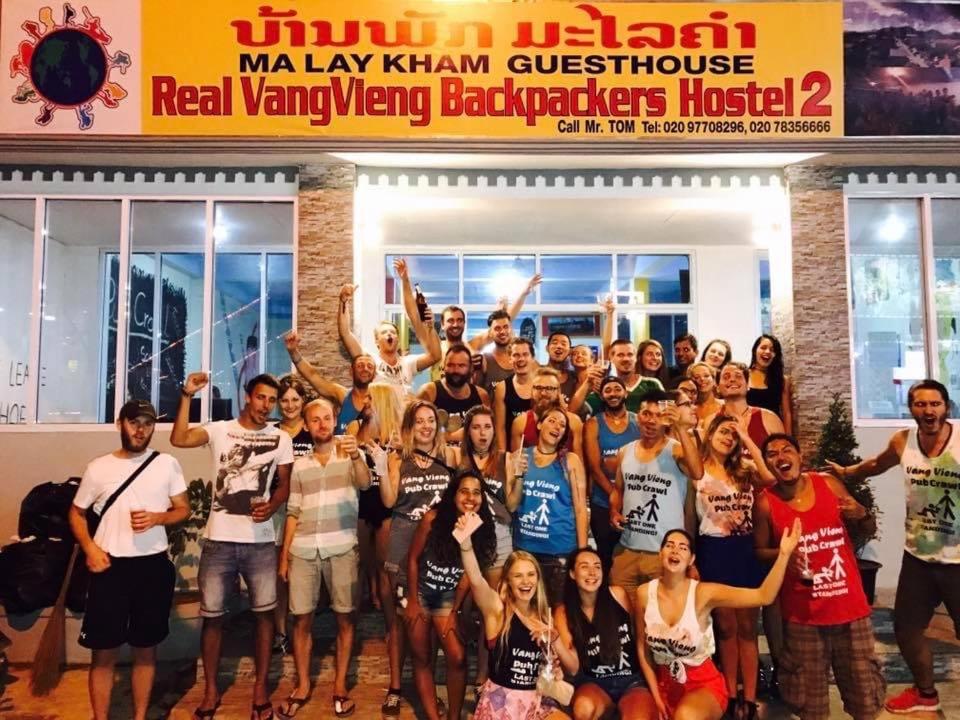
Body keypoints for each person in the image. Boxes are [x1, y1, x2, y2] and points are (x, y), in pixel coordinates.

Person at [827, 379, 959, 714]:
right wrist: (846, 472)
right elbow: (875, 464)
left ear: (947, 407)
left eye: (935, 404)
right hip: (918, 556)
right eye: (920, 404)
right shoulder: (903, 441)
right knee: (907, 628)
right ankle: (926, 693)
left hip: (959, 559)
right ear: (911, 407)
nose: (928, 411)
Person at [172, 372, 294, 720]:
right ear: (248, 396)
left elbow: (284, 485)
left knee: (264, 618)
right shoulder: (220, 430)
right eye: (261, 398)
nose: (266, 406)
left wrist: (272, 506)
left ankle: (259, 688)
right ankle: (210, 690)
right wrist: (186, 395)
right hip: (219, 540)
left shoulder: (280, 438)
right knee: (212, 619)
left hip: (260, 543)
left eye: (272, 400)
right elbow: (179, 437)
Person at [68, 400, 189, 720]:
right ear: (119, 423)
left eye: (147, 424)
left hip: (152, 566)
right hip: (110, 567)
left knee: (146, 650)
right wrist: (91, 549)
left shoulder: (167, 464)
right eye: (134, 422)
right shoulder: (99, 468)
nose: (140, 430)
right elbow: (76, 513)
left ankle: (139, 716)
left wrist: (157, 518)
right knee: (103, 653)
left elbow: (183, 509)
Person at [757, 434, 885, 720]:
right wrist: (783, 556)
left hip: (850, 610)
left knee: (866, 699)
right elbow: (759, 551)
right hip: (803, 616)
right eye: (771, 454)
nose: (780, 457)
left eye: (786, 450)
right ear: (767, 463)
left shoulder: (828, 484)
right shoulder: (765, 503)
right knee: (810, 706)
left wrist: (862, 513)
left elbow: (868, 526)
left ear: (800, 456)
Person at [636, 524, 801, 720]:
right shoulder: (644, 594)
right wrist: (656, 696)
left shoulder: (703, 593)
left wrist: (783, 554)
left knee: (685, 716)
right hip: (664, 684)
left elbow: (763, 596)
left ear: (692, 559)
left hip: (702, 684)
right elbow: (642, 649)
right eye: (669, 545)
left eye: (683, 547)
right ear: (660, 553)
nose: (675, 550)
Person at [277, 398, 370, 719]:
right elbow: (292, 512)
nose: (321, 424)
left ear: (335, 422)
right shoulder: (300, 466)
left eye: (327, 418)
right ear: (306, 425)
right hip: (302, 550)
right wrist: (284, 557)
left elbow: (365, 482)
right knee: (300, 619)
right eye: (314, 420)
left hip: (342, 548)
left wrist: (358, 455)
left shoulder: (349, 456)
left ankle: (341, 684)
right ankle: (303, 684)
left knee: (345, 617)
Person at [379, 400, 457, 716]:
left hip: (437, 553)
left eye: (430, 421)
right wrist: (382, 467)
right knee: (401, 621)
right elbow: (387, 500)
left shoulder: (448, 456)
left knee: (432, 623)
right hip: (402, 547)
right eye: (419, 422)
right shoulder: (400, 459)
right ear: (410, 428)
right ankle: (396, 686)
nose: (425, 426)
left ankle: (428, 685)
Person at [695, 415, 775, 718]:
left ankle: (750, 698)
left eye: (733, 434)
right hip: (713, 551)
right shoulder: (697, 469)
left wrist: (747, 437)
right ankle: (730, 695)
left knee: (746, 629)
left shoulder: (745, 470)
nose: (728, 437)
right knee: (726, 628)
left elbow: (769, 479)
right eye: (723, 431)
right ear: (710, 432)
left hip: (744, 551)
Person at [406, 471, 498, 720]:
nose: (470, 497)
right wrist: (413, 600)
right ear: (453, 494)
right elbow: (413, 560)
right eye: (464, 491)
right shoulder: (433, 519)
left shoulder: (482, 527)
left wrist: (455, 610)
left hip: (447, 597)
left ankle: (454, 717)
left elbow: (469, 574)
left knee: (457, 658)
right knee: (421, 656)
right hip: (422, 590)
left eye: (476, 492)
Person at [455, 534, 570, 720]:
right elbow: (476, 579)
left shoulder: (544, 616)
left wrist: (552, 668)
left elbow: (556, 667)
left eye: (531, 574)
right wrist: (466, 545)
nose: (526, 581)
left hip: (536, 699)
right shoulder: (498, 611)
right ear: (508, 582)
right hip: (502, 703)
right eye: (518, 576)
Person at [609, 392, 702, 595]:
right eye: (646, 413)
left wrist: (680, 427)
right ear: (637, 416)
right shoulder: (625, 451)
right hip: (628, 550)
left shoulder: (676, 450)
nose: (651, 421)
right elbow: (618, 490)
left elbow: (697, 472)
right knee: (623, 618)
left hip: (663, 555)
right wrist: (614, 511)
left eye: (658, 415)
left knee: (658, 621)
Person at [554, 547, 658, 720]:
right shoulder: (563, 612)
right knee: (583, 709)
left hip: (631, 680)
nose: (592, 572)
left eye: (597, 566)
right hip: (594, 683)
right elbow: (572, 669)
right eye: (584, 566)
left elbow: (640, 640)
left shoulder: (618, 595)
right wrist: (554, 641)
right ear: (572, 573)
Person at [510, 406, 589, 604]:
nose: (558, 426)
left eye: (563, 425)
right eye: (552, 421)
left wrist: (582, 553)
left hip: (559, 552)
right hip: (525, 549)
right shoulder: (519, 457)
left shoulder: (570, 461)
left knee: (558, 613)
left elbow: (580, 510)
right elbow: (511, 506)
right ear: (539, 425)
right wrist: (518, 475)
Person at [337, 260, 441, 390]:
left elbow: (435, 356)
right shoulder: (369, 362)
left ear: (398, 339)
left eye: (393, 332)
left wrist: (430, 327)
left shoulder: (407, 363)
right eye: (384, 332)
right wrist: (343, 301)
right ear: (376, 341)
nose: (389, 334)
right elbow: (345, 333)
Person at [272, 374, 315, 655]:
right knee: (280, 573)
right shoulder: (272, 433)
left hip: (310, 509)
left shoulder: (313, 431)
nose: (289, 405)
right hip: (278, 511)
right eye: (284, 400)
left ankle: (304, 630)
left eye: (295, 400)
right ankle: (280, 632)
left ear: (303, 401)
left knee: (305, 573)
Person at [583, 377, 641, 571]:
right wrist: (617, 496)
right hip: (602, 502)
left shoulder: (638, 421)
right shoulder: (593, 424)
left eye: (618, 389)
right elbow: (595, 468)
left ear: (626, 393)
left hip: (635, 502)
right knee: (606, 559)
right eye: (608, 390)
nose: (613, 394)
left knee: (633, 558)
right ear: (601, 395)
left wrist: (627, 497)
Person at [284, 330, 377, 439]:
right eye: (360, 366)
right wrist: (293, 352)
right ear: (351, 372)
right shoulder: (341, 394)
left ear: (374, 374)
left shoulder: (381, 400)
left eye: (369, 366)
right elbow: (312, 376)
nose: (365, 369)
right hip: (340, 454)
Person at [572, 339, 663, 417]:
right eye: (620, 355)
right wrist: (587, 383)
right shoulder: (603, 388)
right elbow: (572, 413)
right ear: (611, 358)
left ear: (636, 358)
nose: (626, 359)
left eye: (630, 354)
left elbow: (665, 414)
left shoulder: (652, 384)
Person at [417, 344, 490, 440]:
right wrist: (453, 437)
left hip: (470, 454)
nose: (455, 370)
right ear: (443, 366)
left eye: (461, 365)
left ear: (470, 368)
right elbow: (416, 431)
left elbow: (488, 431)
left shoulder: (481, 395)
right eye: (450, 365)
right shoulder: (429, 392)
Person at [511, 366, 584, 460]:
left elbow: (579, 465)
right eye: (538, 387)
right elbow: (515, 466)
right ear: (532, 390)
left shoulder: (573, 422)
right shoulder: (520, 423)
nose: (543, 393)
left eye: (549, 388)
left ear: (558, 391)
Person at [707, 363, 784, 449]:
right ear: (717, 387)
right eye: (726, 377)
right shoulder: (710, 422)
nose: (732, 379)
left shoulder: (770, 418)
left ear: (748, 385)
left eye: (738, 376)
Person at [493, 337, 536, 450]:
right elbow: (500, 428)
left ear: (532, 358)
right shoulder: (502, 388)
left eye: (525, 354)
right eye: (516, 355)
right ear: (510, 359)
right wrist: (504, 456)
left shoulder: (542, 385)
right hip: (512, 449)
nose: (521, 359)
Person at [747, 334, 794, 436]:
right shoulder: (744, 375)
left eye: (772, 350)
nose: (767, 352)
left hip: (773, 431)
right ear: (755, 350)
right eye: (763, 348)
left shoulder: (782, 380)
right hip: (748, 431)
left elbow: (786, 413)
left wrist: (788, 439)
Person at [688, 362, 723, 426]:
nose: (702, 379)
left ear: (714, 380)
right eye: (697, 377)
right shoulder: (689, 409)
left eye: (706, 376)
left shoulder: (725, 405)